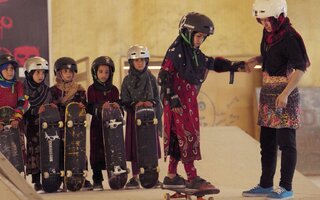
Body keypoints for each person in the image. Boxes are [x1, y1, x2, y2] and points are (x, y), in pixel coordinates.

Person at [158, 12, 245, 192]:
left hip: (187, 103)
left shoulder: (193, 53)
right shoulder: (175, 53)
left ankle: (171, 176)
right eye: (198, 36)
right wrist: (172, 96)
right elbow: (163, 76)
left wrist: (233, 65)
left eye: (203, 37)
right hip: (177, 103)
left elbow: (211, 63)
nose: (200, 40)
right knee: (187, 136)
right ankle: (192, 177)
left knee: (177, 137)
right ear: (187, 33)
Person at [242, 0, 310, 199]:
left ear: (279, 16)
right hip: (268, 93)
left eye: (268, 20)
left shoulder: (291, 37)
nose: (265, 24)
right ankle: (265, 185)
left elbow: (300, 68)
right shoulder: (269, 34)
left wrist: (286, 93)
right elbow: (274, 57)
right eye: (261, 21)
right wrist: (257, 59)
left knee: (286, 143)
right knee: (267, 143)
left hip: (285, 96)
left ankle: (286, 187)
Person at [121, 45, 162, 189]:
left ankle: (152, 176)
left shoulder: (151, 78)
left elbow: (157, 98)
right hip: (134, 119)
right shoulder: (127, 81)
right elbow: (124, 100)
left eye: (142, 60)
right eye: (136, 60)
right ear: (131, 62)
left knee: (150, 147)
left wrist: (150, 103)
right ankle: (135, 177)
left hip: (150, 120)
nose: (139, 63)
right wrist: (136, 104)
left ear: (147, 61)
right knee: (135, 147)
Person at [50, 57, 93, 191]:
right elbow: (51, 106)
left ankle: (81, 177)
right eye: (65, 71)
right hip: (59, 128)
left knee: (77, 150)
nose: (68, 74)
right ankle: (62, 178)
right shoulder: (53, 91)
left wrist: (82, 106)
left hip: (75, 129)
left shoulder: (79, 90)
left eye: (70, 71)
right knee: (60, 151)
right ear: (58, 73)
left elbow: (84, 106)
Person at [87, 56, 120, 191]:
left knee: (112, 150)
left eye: (106, 72)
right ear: (95, 73)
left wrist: (117, 106)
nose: (103, 75)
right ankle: (97, 179)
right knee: (96, 151)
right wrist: (101, 107)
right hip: (97, 126)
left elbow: (118, 104)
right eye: (100, 71)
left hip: (112, 126)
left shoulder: (114, 89)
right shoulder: (91, 89)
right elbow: (90, 106)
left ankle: (114, 176)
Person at [23, 57, 53, 193]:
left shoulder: (47, 90)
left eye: (43, 73)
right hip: (32, 127)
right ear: (29, 74)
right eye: (37, 73)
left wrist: (53, 106)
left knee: (47, 151)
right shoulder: (24, 90)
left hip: (46, 126)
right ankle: (36, 181)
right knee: (34, 152)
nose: (41, 76)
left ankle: (48, 179)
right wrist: (35, 110)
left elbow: (52, 104)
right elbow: (22, 109)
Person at [0, 54, 29, 172]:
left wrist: (17, 118)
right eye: (6, 69)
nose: (9, 71)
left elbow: (23, 102)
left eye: (12, 69)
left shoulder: (18, 85)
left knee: (17, 152)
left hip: (15, 124)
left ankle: (19, 176)